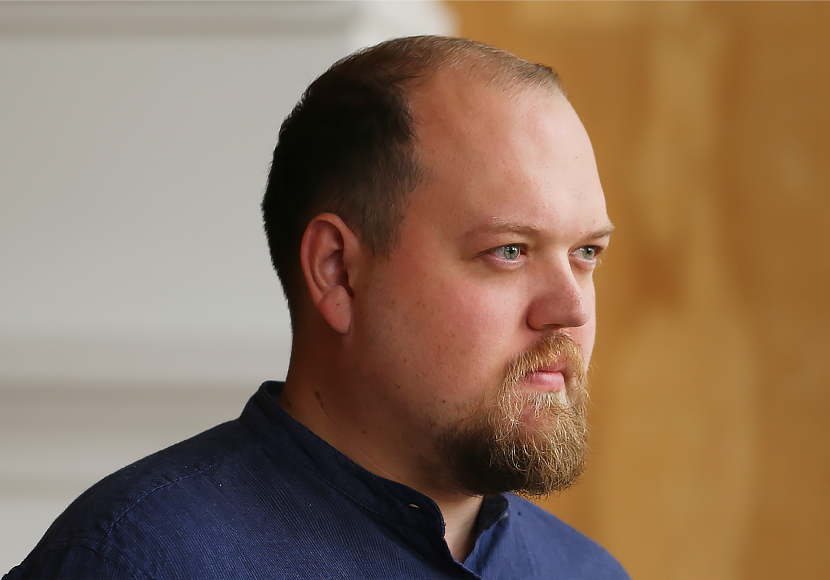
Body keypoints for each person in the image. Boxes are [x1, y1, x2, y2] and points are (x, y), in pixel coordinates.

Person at [5, 36, 628, 579]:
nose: (571, 309)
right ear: (338, 272)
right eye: (509, 251)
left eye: (586, 253)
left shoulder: (587, 573)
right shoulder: (134, 563)